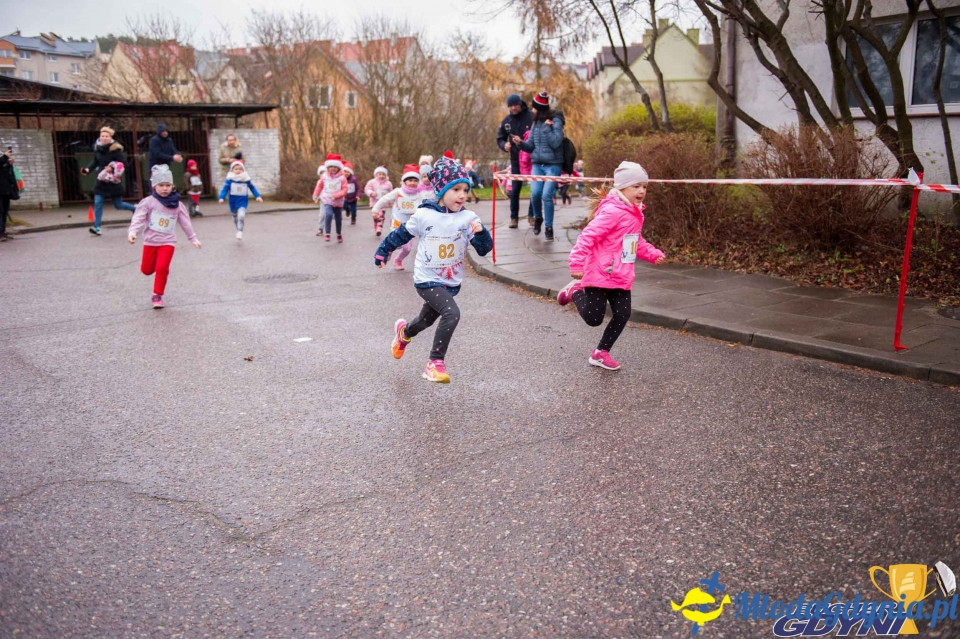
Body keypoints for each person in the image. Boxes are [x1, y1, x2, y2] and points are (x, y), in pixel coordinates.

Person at [375, 157, 493, 384]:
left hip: (450, 282)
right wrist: (383, 252)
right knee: (452, 313)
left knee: (424, 321)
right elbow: (400, 235)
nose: (462, 195)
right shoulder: (423, 216)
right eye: (456, 189)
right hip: (426, 279)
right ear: (441, 190)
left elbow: (483, 250)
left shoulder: (468, 218)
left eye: (465, 190)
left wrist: (480, 233)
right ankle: (434, 363)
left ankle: (404, 332)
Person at [557, 161, 665, 371]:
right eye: (636, 186)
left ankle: (600, 353)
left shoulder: (635, 212)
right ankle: (575, 290)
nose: (641, 191)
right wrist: (576, 262)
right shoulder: (612, 212)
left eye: (644, 187)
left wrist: (653, 254)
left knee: (623, 314)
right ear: (622, 188)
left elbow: (634, 241)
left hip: (622, 274)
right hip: (599, 272)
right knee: (593, 319)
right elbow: (587, 236)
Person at [127, 164, 201, 309]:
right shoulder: (148, 202)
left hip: (168, 242)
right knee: (147, 270)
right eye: (161, 185)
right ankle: (149, 267)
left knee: (162, 267)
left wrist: (193, 238)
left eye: (167, 185)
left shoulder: (177, 204)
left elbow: (185, 222)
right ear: (155, 186)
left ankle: (157, 295)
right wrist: (132, 232)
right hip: (150, 241)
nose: (165, 188)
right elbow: (139, 218)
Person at [512, 91, 565, 241]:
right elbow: (530, 147)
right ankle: (538, 219)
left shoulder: (555, 121)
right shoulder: (535, 123)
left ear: (539, 108)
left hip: (553, 164)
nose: (532, 110)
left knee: (546, 195)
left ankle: (548, 227)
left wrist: (548, 128)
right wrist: (520, 143)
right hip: (538, 165)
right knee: (535, 194)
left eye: (534, 108)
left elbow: (556, 142)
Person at [80, 126, 137, 236]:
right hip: (101, 181)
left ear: (110, 138)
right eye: (102, 136)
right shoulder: (98, 149)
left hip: (113, 182)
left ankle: (135, 209)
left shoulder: (116, 150)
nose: (104, 138)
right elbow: (95, 162)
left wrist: (113, 168)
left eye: (107, 136)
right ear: (99, 137)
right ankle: (97, 227)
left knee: (118, 205)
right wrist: (87, 170)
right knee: (98, 203)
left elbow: (125, 163)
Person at [371, 164, 428, 270]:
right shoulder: (398, 192)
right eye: (410, 180)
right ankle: (389, 249)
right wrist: (375, 209)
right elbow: (384, 199)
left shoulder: (419, 194)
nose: (412, 183)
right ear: (404, 181)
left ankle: (398, 260)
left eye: (415, 180)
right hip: (397, 222)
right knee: (399, 244)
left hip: (410, 226)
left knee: (407, 249)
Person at [496, 94, 534, 229]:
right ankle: (514, 218)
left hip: (530, 160)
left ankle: (532, 215)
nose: (513, 108)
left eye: (515, 105)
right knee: (515, 190)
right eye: (510, 106)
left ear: (520, 104)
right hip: (515, 160)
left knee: (534, 190)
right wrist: (504, 145)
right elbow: (500, 138)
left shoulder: (531, 116)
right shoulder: (507, 121)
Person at [218, 160, 262, 240]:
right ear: (232, 170)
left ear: (243, 170)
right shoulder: (230, 179)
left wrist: (258, 196)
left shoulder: (246, 179)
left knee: (241, 216)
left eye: (240, 169)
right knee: (235, 218)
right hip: (233, 201)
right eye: (236, 169)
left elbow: (252, 187)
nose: (238, 171)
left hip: (242, 201)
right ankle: (238, 228)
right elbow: (224, 189)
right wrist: (221, 197)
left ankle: (240, 231)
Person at [312, 153, 348, 243]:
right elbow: (319, 186)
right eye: (331, 166)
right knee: (328, 214)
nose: (333, 168)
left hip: (338, 201)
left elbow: (345, 189)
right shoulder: (324, 176)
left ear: (339, 168)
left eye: (335, 167)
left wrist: (337, 195)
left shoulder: (342, 178)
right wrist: (315, 195)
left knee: (338, 218)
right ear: (327, 167)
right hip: (327, 199)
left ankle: (338, 233)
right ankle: (327, 233)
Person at [364, 166, 393, 236]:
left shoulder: (388, 183)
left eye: (383, 174)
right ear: (376, 174)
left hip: (383, 204)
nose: (381, 176)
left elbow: (391, 193)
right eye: (380, 174)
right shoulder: (372, 182)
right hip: (374, 202)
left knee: (381, 215)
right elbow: (367, 189)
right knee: (376, 216)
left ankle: (379, 228)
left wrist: (391, 202)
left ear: (386, 175)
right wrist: (371, 193)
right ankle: (376, 226)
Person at [0, 150, 17, 241]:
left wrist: (9, 164)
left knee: (4, 211)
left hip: (5, 189)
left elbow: (3, 172)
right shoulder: (3, 156)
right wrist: (5, 157)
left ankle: (2, 232)